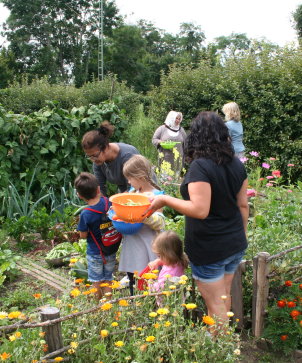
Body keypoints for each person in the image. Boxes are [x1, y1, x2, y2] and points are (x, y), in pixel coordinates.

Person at [146, 111, 249, 333]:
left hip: (210, 248)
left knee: (215, 303)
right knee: (223, 297)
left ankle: (221, 350)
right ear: (223, 134)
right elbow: (243, 206)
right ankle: (223, 341)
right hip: (234, 243)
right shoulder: (237, 165)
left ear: (196, 135)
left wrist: (164, 199)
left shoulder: (201, 167)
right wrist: (242, 235)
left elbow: (200, 210)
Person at [118, 155, 165, 295]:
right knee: (133, 276)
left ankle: (150, 305)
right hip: (132, 242)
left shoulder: (156, 195)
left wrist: (142, 216)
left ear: (140, 176)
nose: (128, 181)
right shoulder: (132, 193)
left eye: (130, 178)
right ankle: (135, 303)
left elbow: (160, 222)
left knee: (148, 278)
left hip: (148, 244)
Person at [75, 172, 122, 301]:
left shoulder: (86, 214)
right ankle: (107, 303)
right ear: (98, 189)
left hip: (95, 252)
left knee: (96, 280)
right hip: (110, 248)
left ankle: (97, 305)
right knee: (108, 277)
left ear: (80, 195)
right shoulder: (108, 202)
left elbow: (83, 235)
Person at [82, 121, 140, 196]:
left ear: (105, 147)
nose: (93, 160)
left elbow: (133, 189)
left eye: (95, 155)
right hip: (125, 193)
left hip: (145, 193)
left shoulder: (127, 156)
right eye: (89, 156)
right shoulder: (98, 161)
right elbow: (100, 189)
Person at [152, 111, 187, 178]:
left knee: (175, 180)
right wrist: (160, 142)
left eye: (179, 119)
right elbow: (154, 139)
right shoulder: (162, 129)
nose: (178, 120)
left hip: (177, 161)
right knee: (165, 181)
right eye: (176, 118)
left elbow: (186, 144)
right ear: (171, 118)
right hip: (165, 160)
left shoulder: (181, 130)